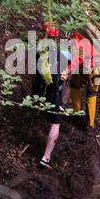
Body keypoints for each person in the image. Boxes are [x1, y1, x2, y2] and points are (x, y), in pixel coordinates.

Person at [32, 22, 70, 169]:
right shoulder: (63, 54)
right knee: (55, 123)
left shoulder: (38, 51)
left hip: (39, 92)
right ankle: (46, 157)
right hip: (54, 92)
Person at [61, 31, 100, 130]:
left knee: (74, 86)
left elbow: (78, 58)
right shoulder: (87, 41)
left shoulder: (80, 43)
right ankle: (89, 123)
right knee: (92, 94)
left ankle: (78, 116)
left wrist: (67, 70)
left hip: (90, 68)